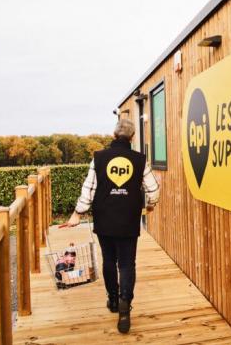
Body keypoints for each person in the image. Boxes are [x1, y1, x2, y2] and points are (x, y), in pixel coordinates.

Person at [61, 118, 160, 334]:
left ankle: (113, 300)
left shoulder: (99, 158)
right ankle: (126, 303)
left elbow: (89, 189)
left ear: (114, 136)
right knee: (126, 263)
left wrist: (78, 213)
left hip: (104, 218)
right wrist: (150, 205)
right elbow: (153, 189)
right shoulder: (140, 159)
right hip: (128, 219)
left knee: (109, 259)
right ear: (132, 137)